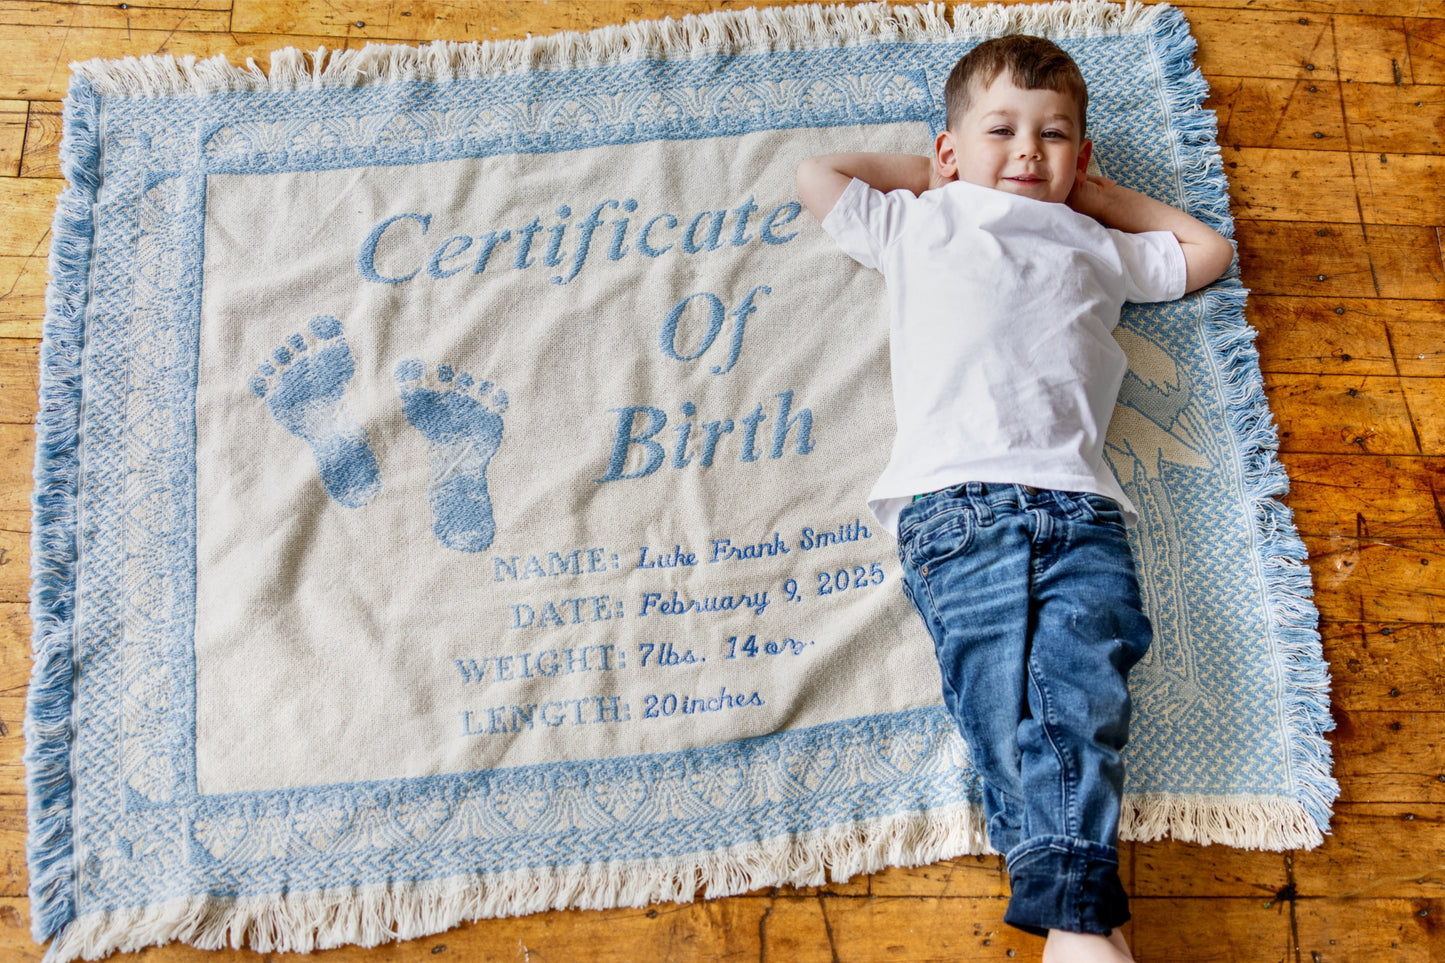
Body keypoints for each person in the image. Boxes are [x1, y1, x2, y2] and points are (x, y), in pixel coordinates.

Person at [796, 34, 1234, 963]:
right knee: (999, 700)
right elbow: (817, 173)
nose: (1028, 152)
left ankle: (1075, 921)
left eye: (1055, 136)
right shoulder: (923, 221)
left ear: (1080, 156)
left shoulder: (1098, 243)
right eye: (1002, 131)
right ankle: (1083, 923)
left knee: (1081, 695)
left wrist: (1105, 197)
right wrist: (935, 172)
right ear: (952, 148)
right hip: (955, 506)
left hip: (1080, 506)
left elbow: (1205, 252)